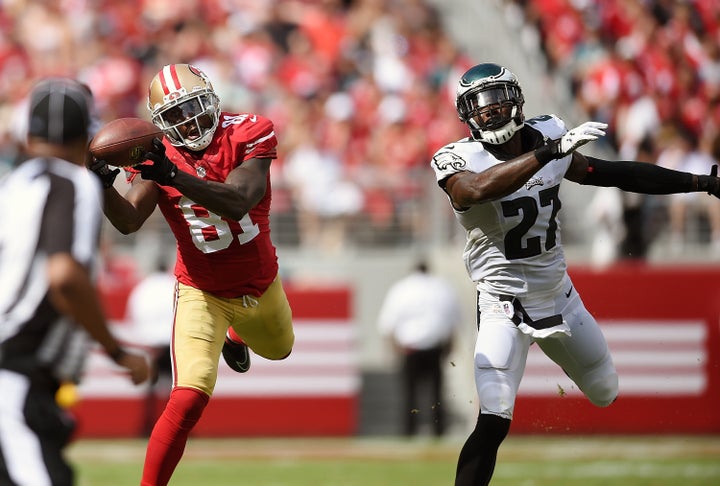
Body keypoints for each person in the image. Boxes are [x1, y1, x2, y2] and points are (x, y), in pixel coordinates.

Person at [430, 62, 720, 486]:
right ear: (466, 114)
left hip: (560, 297)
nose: (490, 113)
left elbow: (612, 174)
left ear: (517, 100)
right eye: (480, 105)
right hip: (501, 305)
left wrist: (701, 181)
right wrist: (549, 153)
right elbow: (474, 190)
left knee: (605, 391)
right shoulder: (459, 158)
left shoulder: (548, 133)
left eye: (497, 101)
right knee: (494, 418)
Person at [88, 63, 295, 486]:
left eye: (194, 108)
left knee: (280, 350)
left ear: (213, 100)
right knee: (187, 398)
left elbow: (238, 200)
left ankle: (236, 337)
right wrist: (102, 185)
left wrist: (173, 175)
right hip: (200, 288)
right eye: (175, 116)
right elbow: (128, 221)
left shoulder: (249, 131)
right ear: (161, 124)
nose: (188, 121)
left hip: (260, 281)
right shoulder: (156, 151)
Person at [0, 77, 150, 486]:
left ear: (27, 133)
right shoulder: (74, 182)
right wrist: (117, 351)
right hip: (14, 373)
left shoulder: (13, 187)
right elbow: (64, 276)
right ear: (87, 135)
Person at [377, 260, 462, 437]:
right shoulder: (442, 287)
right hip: (435, 347)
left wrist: (392, 349)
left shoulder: (402, 288)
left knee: (410, 393)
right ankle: (439, 429)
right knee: (437, 393)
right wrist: (451, 345)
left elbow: (388, 323)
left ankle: (409, 431)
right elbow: (454, 320)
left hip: (410, 349)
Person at [125, 260, 176, 436]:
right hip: (171, 343)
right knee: (178, 387)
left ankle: (148, 426)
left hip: (151, 345)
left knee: (150, 389)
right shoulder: (173, 283)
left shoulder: (144, 287)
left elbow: (134, 313)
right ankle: (178, 425)